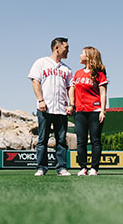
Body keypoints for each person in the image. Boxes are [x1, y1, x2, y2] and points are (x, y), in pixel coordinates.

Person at [28, 37, 74, 176]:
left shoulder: (67, 69)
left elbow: (70, 87)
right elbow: (35, 81)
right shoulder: (41, 62)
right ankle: (41, 167)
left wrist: (71, 104)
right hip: (45, 108)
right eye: (66, 48)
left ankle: (61, 168)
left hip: (61, 109)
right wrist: (40, 100)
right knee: (43, 139)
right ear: (57, 48)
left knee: (61, 140)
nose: (68, 51)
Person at [70, 46, 108, 176]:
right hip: (80, 111)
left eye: (82, 53)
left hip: (95, 110)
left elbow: (103, 93)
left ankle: (94, 168)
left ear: (89, 57)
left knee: (95, 140)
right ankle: (83, 168)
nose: (79, 55)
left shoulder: (99, 73)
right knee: (81, 141)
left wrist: (102, 111)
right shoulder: (77, 73)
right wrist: (72, 104)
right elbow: (73, 90)